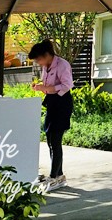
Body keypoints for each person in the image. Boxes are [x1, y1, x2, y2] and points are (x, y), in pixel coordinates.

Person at [29, 40, 73, 191]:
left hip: (62, 103)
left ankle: (54, 177)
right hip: (51, 102)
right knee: (49, 139)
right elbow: (48, 86)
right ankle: (59, 175)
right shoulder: (45, 66)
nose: (38, 62)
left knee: (55, 140)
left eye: (38, 59)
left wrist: (46, 87)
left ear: (47, 55)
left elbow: (67, 86)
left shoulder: (63, 65)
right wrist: (41, 87)